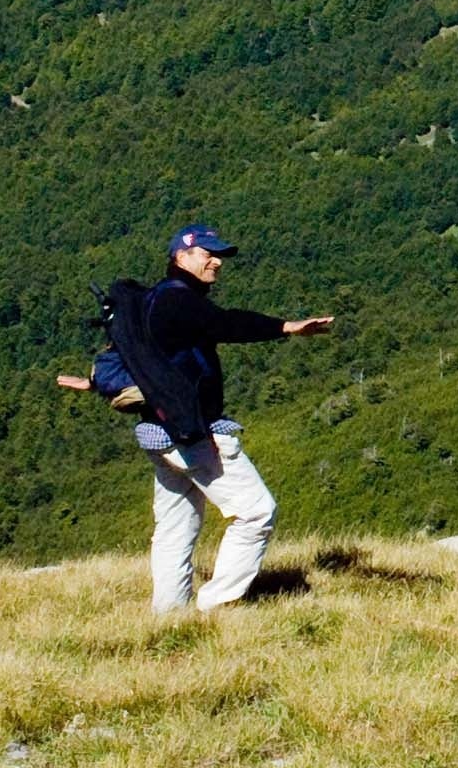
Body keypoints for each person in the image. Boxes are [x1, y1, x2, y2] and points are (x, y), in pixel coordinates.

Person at [110, 224, 335, 613]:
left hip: (157, 430)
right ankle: (216, 606)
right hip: (191, 432)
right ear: (181, 257)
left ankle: (170, 615)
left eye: (219, 255)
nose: (216, 261)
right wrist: (285, 327)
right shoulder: (179, 301)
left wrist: (98, 382)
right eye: (207, 254)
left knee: (176, 525)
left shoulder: (151, 300)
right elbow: (226, 324)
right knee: (256, 512)